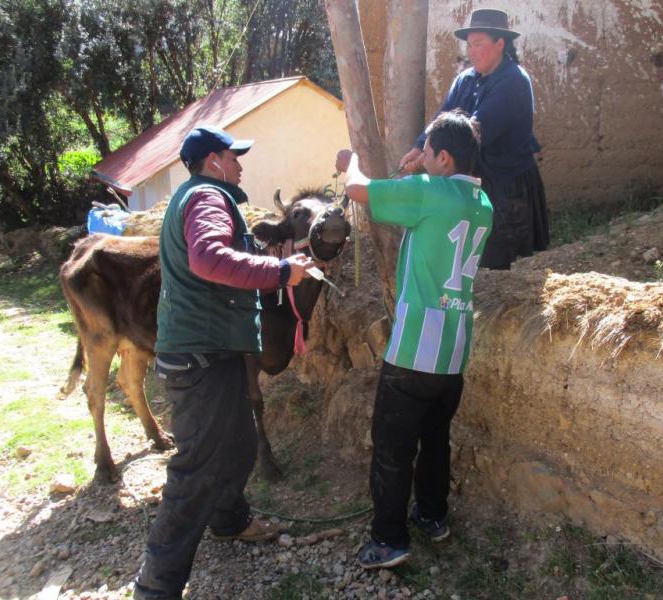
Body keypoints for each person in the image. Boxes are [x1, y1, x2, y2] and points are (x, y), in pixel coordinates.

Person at [134, 126, 315, 600]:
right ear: (214, 161)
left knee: (237, 442)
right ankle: (156, 586)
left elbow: (230, 256)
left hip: (214, 350)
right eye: (234, 157)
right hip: (201, 357)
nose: (240, 165)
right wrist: (280, 273)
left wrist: (288, 258)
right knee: (195, 468)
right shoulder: (209, 197)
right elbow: (210, 259)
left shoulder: (200, 196)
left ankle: (230, 521)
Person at [335, 110, 492, 569]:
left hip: (413, 351)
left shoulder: (429, 191)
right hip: (454, 350)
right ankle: (432, 516)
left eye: (426, 152)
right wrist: (417, 172)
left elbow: (357, 189)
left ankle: (388, 539)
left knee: (392, 445)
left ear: (444, 157)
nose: (419, 158)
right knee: (436, 438)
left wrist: (352, 160)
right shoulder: (483, 205)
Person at [399, 8, 549, 270]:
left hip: (507, 186)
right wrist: (419, 145)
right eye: (469, 45)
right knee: (472, 262)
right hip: (476, 181)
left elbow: (474, 132)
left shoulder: (513, 81)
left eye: (478, 44)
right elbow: (443, 117)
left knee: (505, 266)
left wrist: (429, 159)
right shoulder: (465, 80)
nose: (471, 51)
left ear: (500, 43)